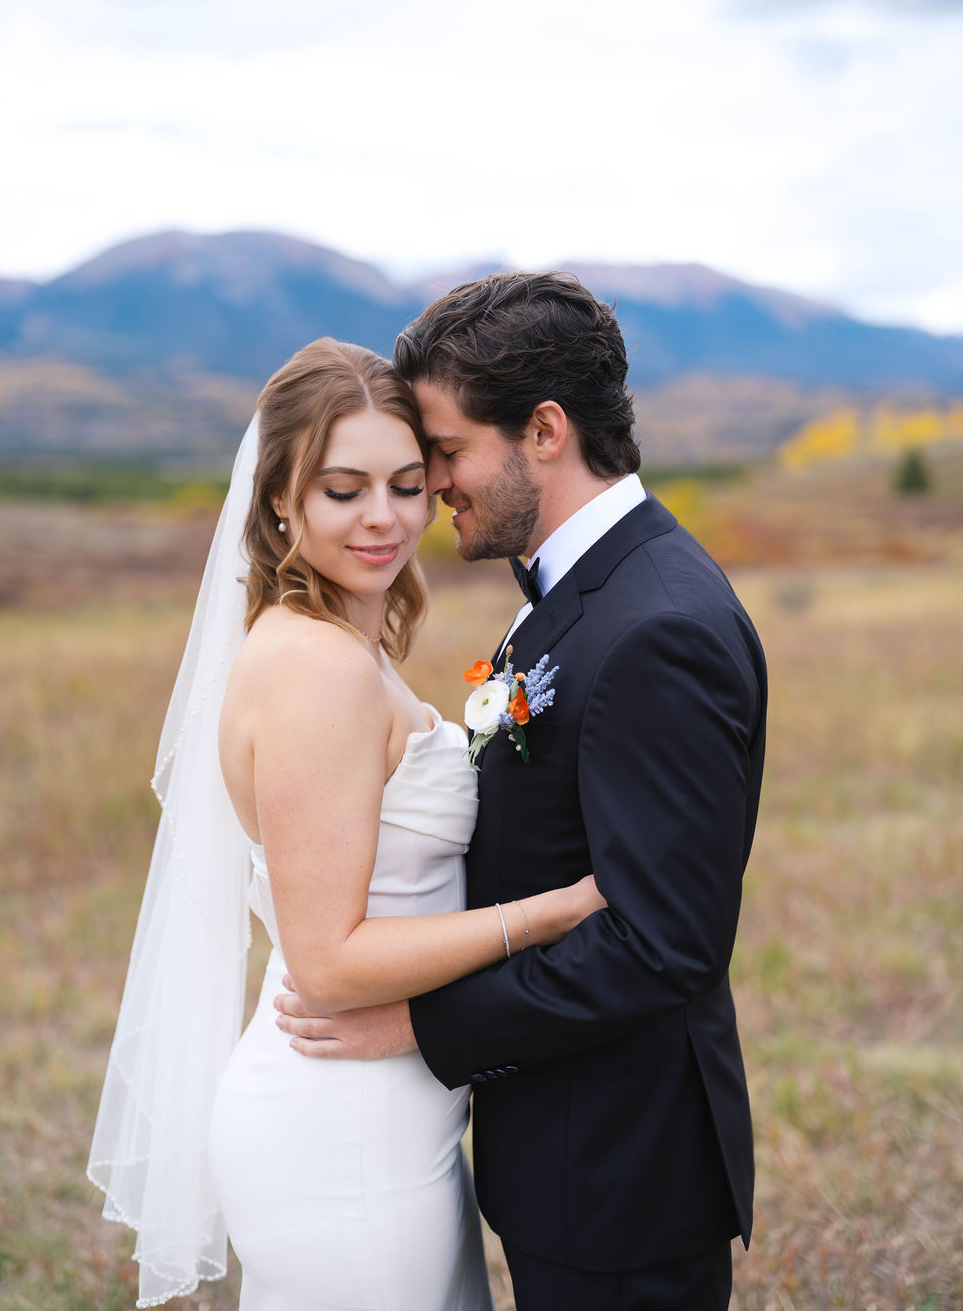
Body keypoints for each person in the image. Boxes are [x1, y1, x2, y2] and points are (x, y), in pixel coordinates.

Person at [275, 276, 768, 1311]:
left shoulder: (657, 627)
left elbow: (659, 942)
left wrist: (418, 1028)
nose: (433, 484)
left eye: (446, 453)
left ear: (543, 431)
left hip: (623, 1171)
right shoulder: (576, 595)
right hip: (563, 1152)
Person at [87, 336, 604, 1310]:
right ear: (280, 497)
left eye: (409, 484)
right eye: (343, 489)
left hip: (388, 1121)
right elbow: (327, 961)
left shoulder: (330, 643)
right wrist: (549, 914)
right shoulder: (314, 671)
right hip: (342, 1139)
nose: (385, 518)